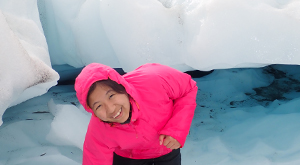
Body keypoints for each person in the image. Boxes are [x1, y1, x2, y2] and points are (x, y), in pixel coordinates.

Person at [75, 63, 198, 165]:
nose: (111, 108)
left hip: (167, 151)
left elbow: (188, 88)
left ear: (122, 87)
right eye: (99, 106)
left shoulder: (154, 80)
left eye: (111, 96)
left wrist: (176, 130)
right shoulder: (99, 130)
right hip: (128, 159)